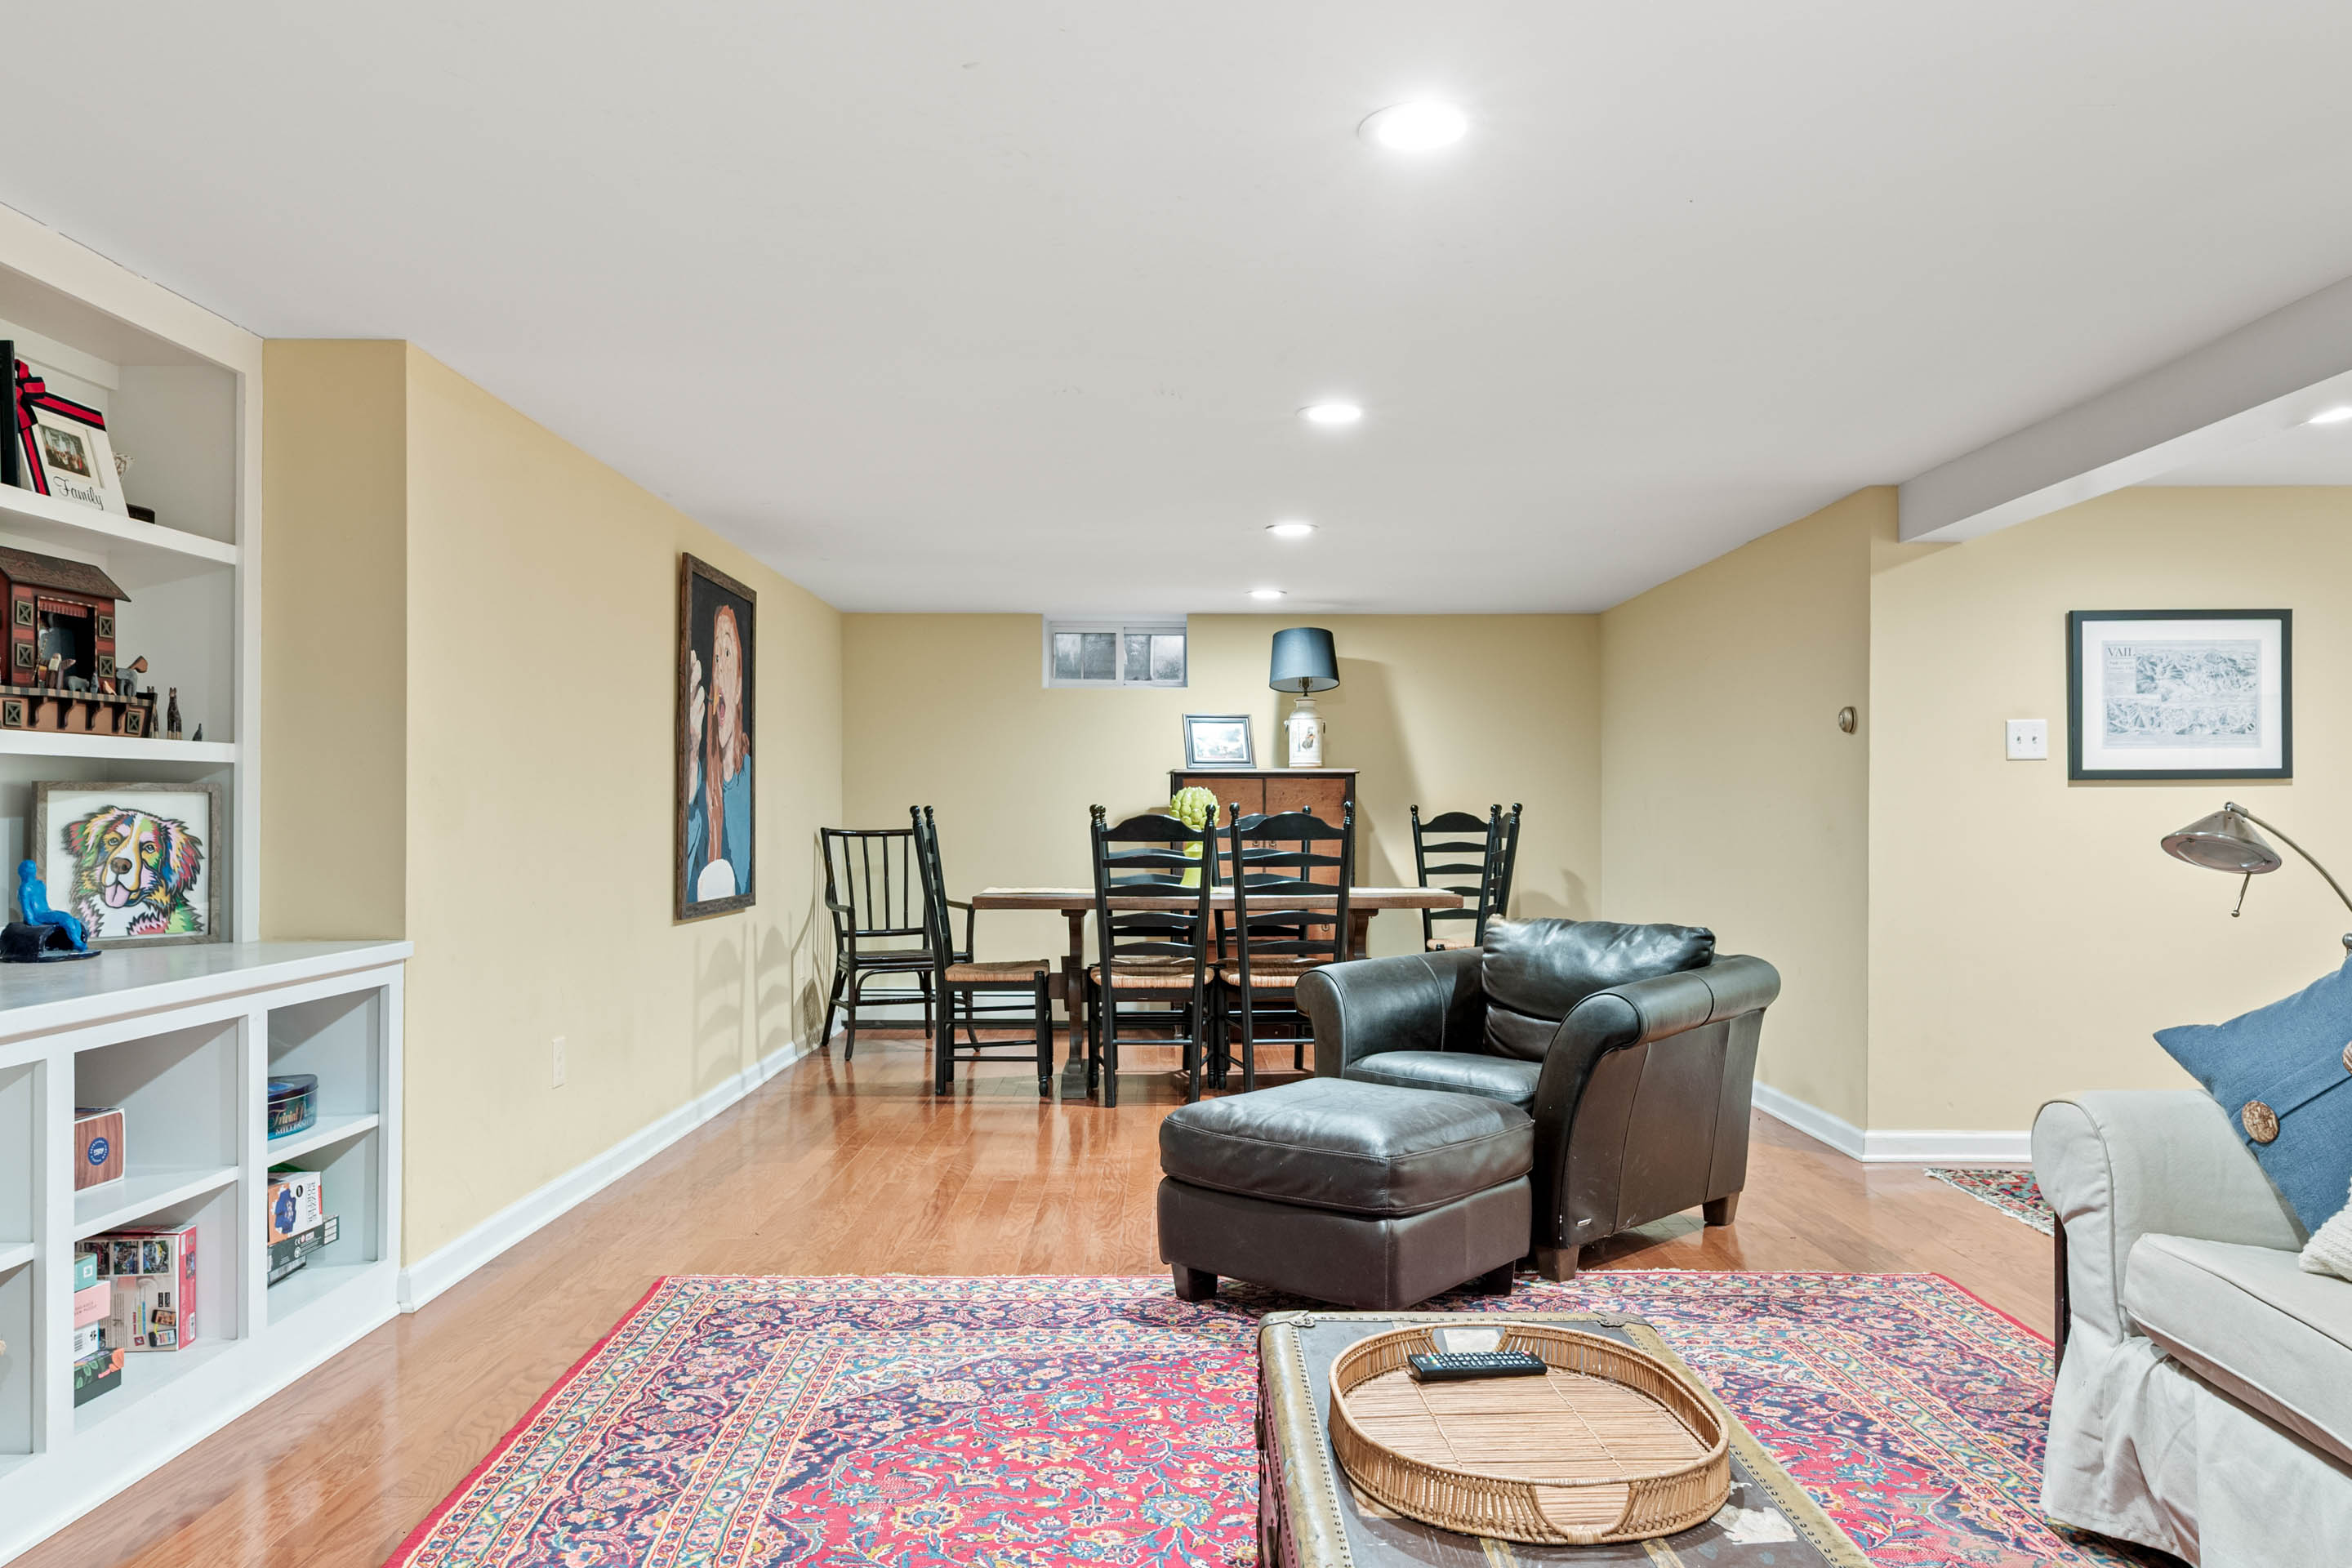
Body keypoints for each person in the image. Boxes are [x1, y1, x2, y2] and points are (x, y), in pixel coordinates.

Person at [684, 603, 751, 901]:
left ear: (737, 689)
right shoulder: (699, 779)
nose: (720, 666)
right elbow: (684, 879)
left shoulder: (747, 777)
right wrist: (692, 748)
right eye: (715, 656)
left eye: (727, 654)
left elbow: (742, 880)